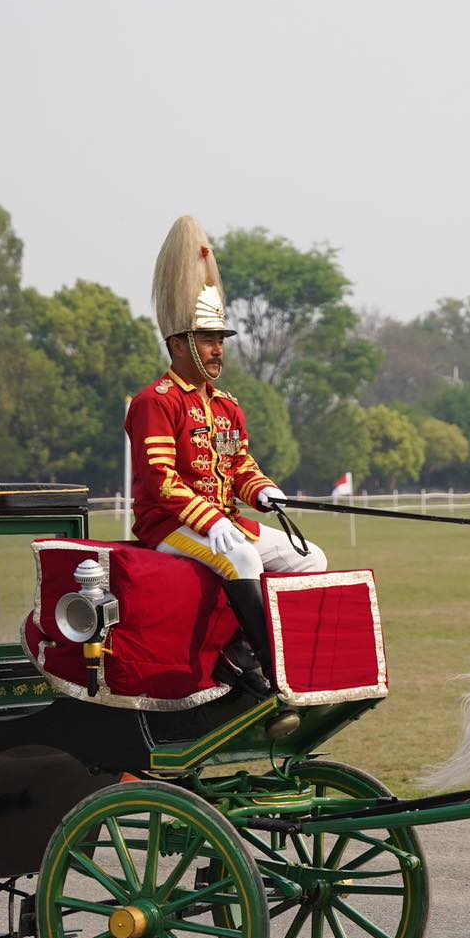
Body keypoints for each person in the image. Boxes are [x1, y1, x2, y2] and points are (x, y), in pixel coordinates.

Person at [125, 215, 326, 692]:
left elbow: (239, 466)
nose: (218, 350)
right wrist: (211, 521)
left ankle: (237, 654)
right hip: (170, 526)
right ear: (178, 344)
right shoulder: (155, 402)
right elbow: (161, 480)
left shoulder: (226, 406)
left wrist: (263, 492)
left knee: (310, 560)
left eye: (219, 341)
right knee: (242, 559)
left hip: (225, 523)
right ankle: (268, 672)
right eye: (208, 340)